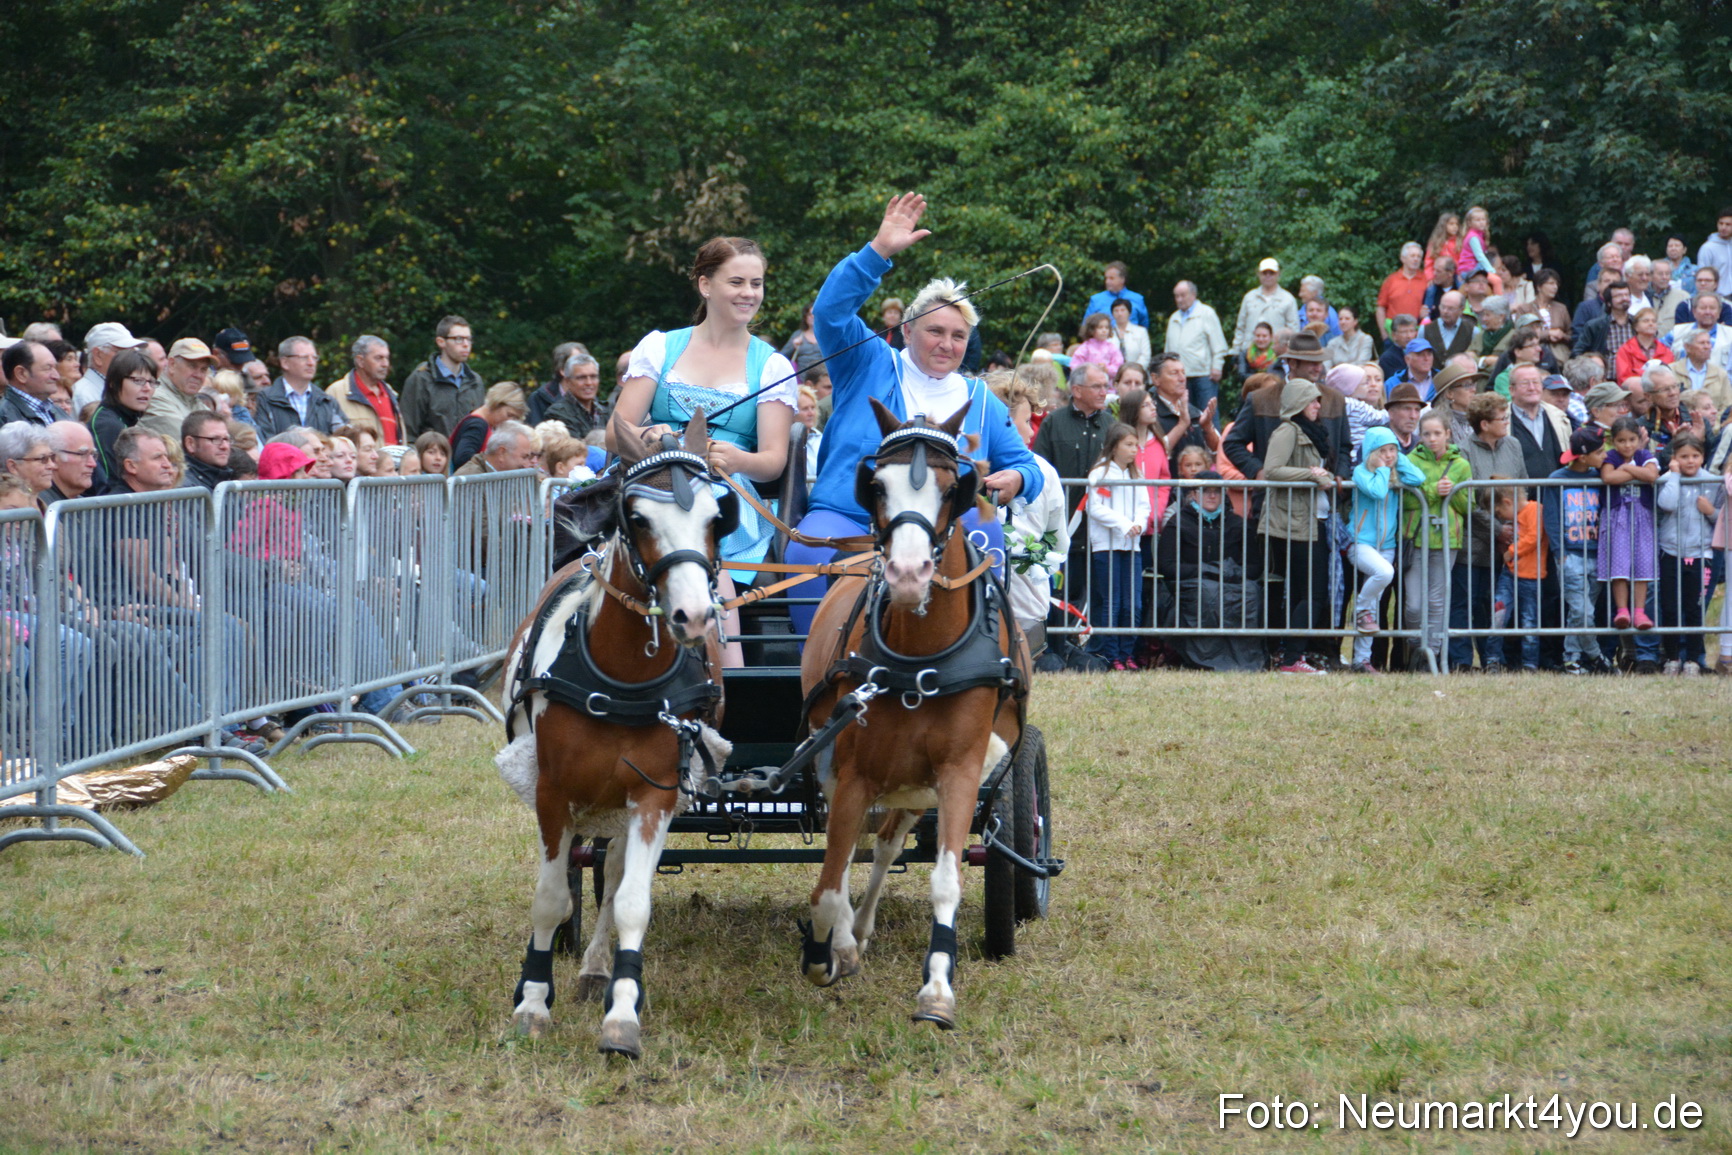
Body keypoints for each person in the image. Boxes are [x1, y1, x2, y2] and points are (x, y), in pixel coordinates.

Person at [784, 194, 1042, 631]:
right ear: (905, 330)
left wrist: (1018, 478)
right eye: (935, 330)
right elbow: (830, 312)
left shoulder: (979, 399)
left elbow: (1024, 465)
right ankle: (818, 668)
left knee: (988, 532)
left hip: (945, 525)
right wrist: (877, 252)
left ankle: (983, 658)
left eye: (959, 336)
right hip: (849, 513)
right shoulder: (867, 361)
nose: (947, 344)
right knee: (806, 552)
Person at [1258, 375, 1334, 674]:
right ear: (1299, 403)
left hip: (1308, 520)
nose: (1318, 404)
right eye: (1313, 399)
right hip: (1291, 522)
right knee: (1311, 593)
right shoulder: (1287, 430)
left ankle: (1290, 656)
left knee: (1309, 592)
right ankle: (1291, 659)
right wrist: (1310, 475)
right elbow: (1272, 470)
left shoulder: (1310, 431)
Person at [1154, 470, 1264, 671]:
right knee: (1208, 592)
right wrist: (1205, 570)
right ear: (1194, 494)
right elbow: (1166, 566)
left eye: (1217, 491)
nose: (1212, 496)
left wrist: (1232, 572)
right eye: (1206, 491)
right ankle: (1205, 657)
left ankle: (1245, 657)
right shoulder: (1179, 522)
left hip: (1232, 579)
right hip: (1191, 583)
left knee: (1250, 592)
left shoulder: (1238, 524)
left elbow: (1255, 566)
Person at [1455, 393, 1525, 672]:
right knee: (1466, 601)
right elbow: (1467, 501)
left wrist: (1517, 528)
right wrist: (1497, 530)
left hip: (1509, 543)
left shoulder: (1514, 446)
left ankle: (1494, 659)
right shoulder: (1463, 451)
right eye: (1502, 418)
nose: (1507, 422)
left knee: (1494, 603)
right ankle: (1460, 660)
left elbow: (1524, 488)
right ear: (1484, 423)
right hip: (1473, 543)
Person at [1348, 426, 1425, 674]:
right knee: (1384, 574)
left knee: (1376, 604)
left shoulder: (1392, 471)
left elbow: (1418, 479)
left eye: (1393, 449)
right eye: (1383, 450)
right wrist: (1383, 467)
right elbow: (1378, 492)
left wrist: (1397, 459)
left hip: (1388, 545)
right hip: (1361, 542)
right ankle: (1359, 609)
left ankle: (1362, 660)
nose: (1389, 454)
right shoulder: (1361, 472)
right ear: (1371, 452)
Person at [1543, 427, 1610, 674]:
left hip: (1596, 554)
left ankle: (1571, 659)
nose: (1605, 455)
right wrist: (1560, 552)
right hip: (1570, 555)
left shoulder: (1601, 477)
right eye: (1600, 451)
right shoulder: (1557, 479)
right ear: (1582, 457)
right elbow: (1550, 517)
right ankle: (1596, 657)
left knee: (1580, 612)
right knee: (1583, 611)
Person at [1082, 423, 1147, 669]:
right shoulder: (1100, 472)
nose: (1134, 450)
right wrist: (1123, 524)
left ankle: (1127, 653)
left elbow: (1144, 505)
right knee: (1113, 602)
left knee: (1133, 603)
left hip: (1132, 546)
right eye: (1128, 445)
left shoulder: (1136, 475)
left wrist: (1138, 525)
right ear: (1114, 445)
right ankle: (1112, 656)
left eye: (1135, 445)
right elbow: (1094, 506)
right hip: (1106, 546)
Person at [1656, 434, 1720, 674]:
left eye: (1695, 456)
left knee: (1694, 608)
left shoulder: (1714, 482)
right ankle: (1671, 657)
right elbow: (1668, 504)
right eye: (1684, 457)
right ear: (1675, 458)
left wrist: (1711, 511)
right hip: (1671, 553)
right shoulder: (1668, 480)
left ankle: (1693, 659)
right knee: (1670, 607)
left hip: (1701, 554)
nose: (1690, 461)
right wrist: (1673, 475)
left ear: (1703, 457)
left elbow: (1722, 515)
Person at [1596, 415, 1659, 634]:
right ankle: (1622, 610)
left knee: (1642, 564)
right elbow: (1608, 478)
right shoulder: (1610, 456)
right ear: (1613, 441)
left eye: (1632, 439)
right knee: (1619, 565)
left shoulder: (1644, 455)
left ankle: (1639, 611)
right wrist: (1634, 472)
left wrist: (1628, 470)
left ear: (1638, 439)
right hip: (1617, 518)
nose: (1628, 445)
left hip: (1642, 518)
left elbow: (1651, 474)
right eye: (1622, 440)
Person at [399, 315, 484, 443]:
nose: (466, 345)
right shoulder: (421, 379)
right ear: (441, 342)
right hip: (433, 458)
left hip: (469, 460)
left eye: (469, 339)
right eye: (459, 339)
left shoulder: (475, 381)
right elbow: (409, 432)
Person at [254, 336, 342, 437]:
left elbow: (342, 440)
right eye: (304, 357)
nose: (311, 363)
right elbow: (265, 441)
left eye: (314, 358)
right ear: (285, 363)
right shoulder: (264, 399)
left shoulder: (327, 401)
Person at [325, 335, 402, 446]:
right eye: (379, 358)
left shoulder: (391, 394)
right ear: (360, 361)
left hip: (392, 463)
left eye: (387, 358)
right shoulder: (336, 393)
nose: (385, 364)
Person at [1165, 280, 1226, 409]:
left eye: (1183, 295)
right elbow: (1168, 348)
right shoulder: (1173, 318)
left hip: (1204, 375)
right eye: (1177, 296)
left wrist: (1217, 366)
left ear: (1193, 295)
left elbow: (1219, 344)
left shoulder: (1206, 313)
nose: (1179, 299)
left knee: (1208, 415)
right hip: (1179, 377)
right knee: (1184, 416)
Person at [448, 381, 528, 472]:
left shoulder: (481, 423)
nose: (510, 421)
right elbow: (462, 458)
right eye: (509, 414)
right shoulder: (478, 425)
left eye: (515, 418)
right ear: (496, 404)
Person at [70, 323, 146, 415]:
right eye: (123, 352)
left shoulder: (118, 388)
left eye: (133, 352)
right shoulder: (83, 395)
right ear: (98, 355)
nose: (131, 358)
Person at [1232, 259, 1299, 355]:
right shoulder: (1249, 297)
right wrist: (1235, 352)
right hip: (1249, 353)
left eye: (1271, 273)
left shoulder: (1288, 299)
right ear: (1258, 274)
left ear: (1278, 274)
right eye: (1264, 273)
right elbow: (1240, 328)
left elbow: (1293, 331)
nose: (1268, 276)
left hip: (1276, 354)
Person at [543, 350, 608, 440]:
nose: (589, 383)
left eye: (593, 377)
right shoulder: (556, 414)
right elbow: (575, 451)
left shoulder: (606, 411)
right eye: (581, 378)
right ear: (567, 381)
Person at [1, 340, 67, 427]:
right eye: (48, 368)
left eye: (55, 368)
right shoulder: (5, 417)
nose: (56, 376)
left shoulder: (57, 411)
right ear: (21, 374)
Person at [1670, 328, 1732, 415]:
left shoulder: (1720, 374)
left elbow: (1727, 405)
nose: (1707, 347)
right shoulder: (1672, 371)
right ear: (1687, 347)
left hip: (1715, 425)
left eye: (1708, 343)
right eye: (1702, 343)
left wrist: (1714, 423)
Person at [1376, 243, 1429, 338]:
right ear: (1403, 258)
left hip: (1417, 333)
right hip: (1393, 334)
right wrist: (1384, 335)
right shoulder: (1391, 280)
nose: (1416, 259)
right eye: (1412, 256)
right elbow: (1381, 308)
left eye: (1419, 256)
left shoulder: (1426, 280)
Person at [452, 420, 538, 475]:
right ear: (501, 453)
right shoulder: (470, 479)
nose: (528, 465)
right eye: (524, 457)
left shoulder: (509, 476)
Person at [41, 422, 99, 503]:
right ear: (53, 458)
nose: (93, 464)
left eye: (93, 454)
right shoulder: (41, 507)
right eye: (82, 454)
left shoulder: (88, 507)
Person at [1614, 308, 1673, 383]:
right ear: (1636, 327)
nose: (1651, 323)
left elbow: (1671, 375)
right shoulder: (1625, 350)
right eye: (1646, 321)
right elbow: (1624, 379)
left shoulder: (1666, 351)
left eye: (1654, 321)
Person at [180, 410, 235, 490]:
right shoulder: (183, 487)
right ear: (191, 444)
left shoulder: (227, 480)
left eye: (226, 439)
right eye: (215, 439)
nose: (225, 446)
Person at [1086, 261, 1149, 328]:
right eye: (1106, 278)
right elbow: (1086, 327)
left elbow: (1143, 327)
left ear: (1122, 279)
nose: (1107, 282)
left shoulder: (1137, 299)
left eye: (1111, 278)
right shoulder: (1096, 300)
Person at [0, 423, 56, 495]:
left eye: (52, 457)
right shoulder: (10, 506)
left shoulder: (49, 504)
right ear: (13, 466)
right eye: (43, 459)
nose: (52, 465)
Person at [1421, 292, 1475, 360]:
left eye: (1450, 308)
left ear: (1461, 310)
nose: (1445, 311)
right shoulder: (1425, 330)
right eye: (1443, 307)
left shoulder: (1472, 331)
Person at [1070, 313, 1123, 379]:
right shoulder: (1085, 348)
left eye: (1106, 327)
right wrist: (1089, 371)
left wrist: (1107, 369)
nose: (1104, 330)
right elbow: (1075, 366)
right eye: (1100, 327)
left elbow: (1119, 366)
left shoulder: (1112, 348)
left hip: (1109, 385)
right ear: (1091, 330)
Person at [1324, 305, 1373, 369]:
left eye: (1347, 319)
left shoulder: (1365, 339)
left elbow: (1362, 363)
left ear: (1355, 321)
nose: (1343, 322)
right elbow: (1326, 365)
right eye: (1340, 319)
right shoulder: (1333, 343)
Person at [779, 303, 822, 375]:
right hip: (803, 382)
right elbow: (781, 356)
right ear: (805, 317)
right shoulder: (798, 335)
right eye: (809, 314)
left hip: (824, 380)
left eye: (814, 314)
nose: (812, 317)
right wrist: (793, 346)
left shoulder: (826, 335)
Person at [1697, 208, 1732, 293]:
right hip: (1718, 296)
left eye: (1728, 224)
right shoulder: (1708, 248)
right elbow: (1702, 275)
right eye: (1721, 224)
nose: (1723, 227)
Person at [1378, 315, 1419, 382]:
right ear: (1394, 335)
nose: (1409, 336)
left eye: (1411, 331)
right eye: (1404, 332)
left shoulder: (1421, 352)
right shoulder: (1387, 358)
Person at [1423, 212, 1462, 281]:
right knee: (1431, 290)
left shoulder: (1460, 241)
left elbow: (1462, 260)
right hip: (1438, 275)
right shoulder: (1435, 242)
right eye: (1451, 224)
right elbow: (1429, 261)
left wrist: (1460, 273)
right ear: (1444, 225)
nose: (1455, 226)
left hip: (1456, 273)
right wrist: (1430, 277)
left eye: (1456, 224)